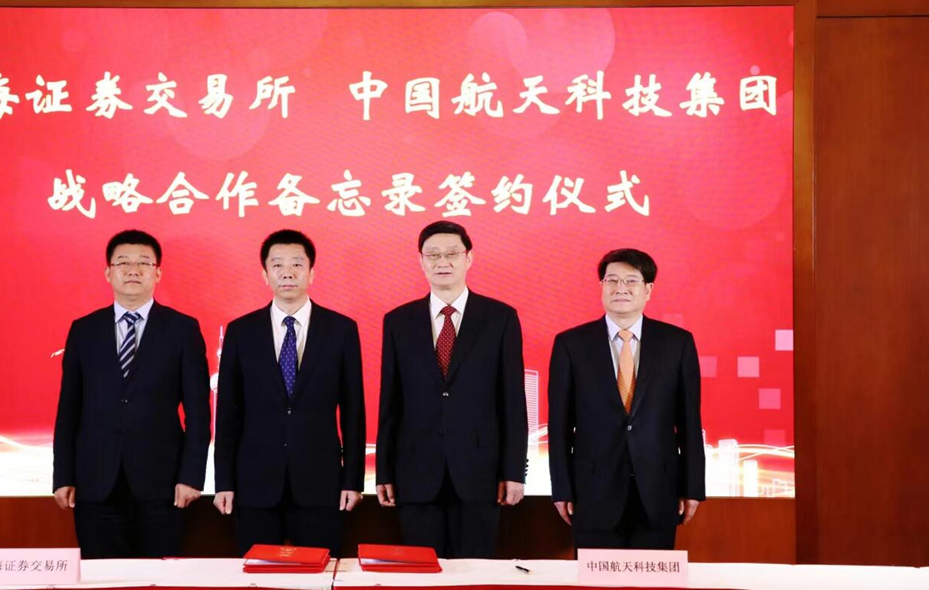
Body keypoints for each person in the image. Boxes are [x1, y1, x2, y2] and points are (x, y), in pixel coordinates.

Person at [52, 229, 211, 558]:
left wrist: (192, 476)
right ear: (108, 272)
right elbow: (69, 410)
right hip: (96, 482)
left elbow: (198, 413)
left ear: (158, 273)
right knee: (102, 575)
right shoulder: (84, 330)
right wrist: (63, 475)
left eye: (143, 263)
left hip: (163, 484)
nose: (133, 270)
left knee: (158, 576)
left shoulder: (182, 329)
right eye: (123, 262)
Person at [375, 220, 527, 558]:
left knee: (474, 571)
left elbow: (513, 402)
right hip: (415, 472)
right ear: (420, 261)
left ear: (468, 258)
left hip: (480, 473)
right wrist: (384, 470)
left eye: (451, 254)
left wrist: (514, 471)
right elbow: (390, 403)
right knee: (422, 572)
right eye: (433, 255)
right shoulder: (398, 321)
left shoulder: (500, 318)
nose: (442, 262)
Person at [213, 229, 365, 557]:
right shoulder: (241, 331)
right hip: (255, 483)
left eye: (297, 264)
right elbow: (227, 413)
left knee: (320, 573)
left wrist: (353, 480)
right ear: (264, 274)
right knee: (258, 575)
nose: (287, 272)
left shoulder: (341, 329)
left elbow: (354, 411)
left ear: (312, 272)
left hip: (320, 482)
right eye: (277, 264)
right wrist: (223, 481)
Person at [548, 248, 705, 550]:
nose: (620, 288)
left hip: (658, 489)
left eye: (631, 281)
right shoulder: (571, 344)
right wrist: (562, 489)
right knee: (596, 575)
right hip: (592, 491)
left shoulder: (677, 343)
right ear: (602, 286)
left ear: (648, 290)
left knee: (652, 574)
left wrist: (692, 486)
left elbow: (689, 421)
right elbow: (559, 426)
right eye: (612, 280)